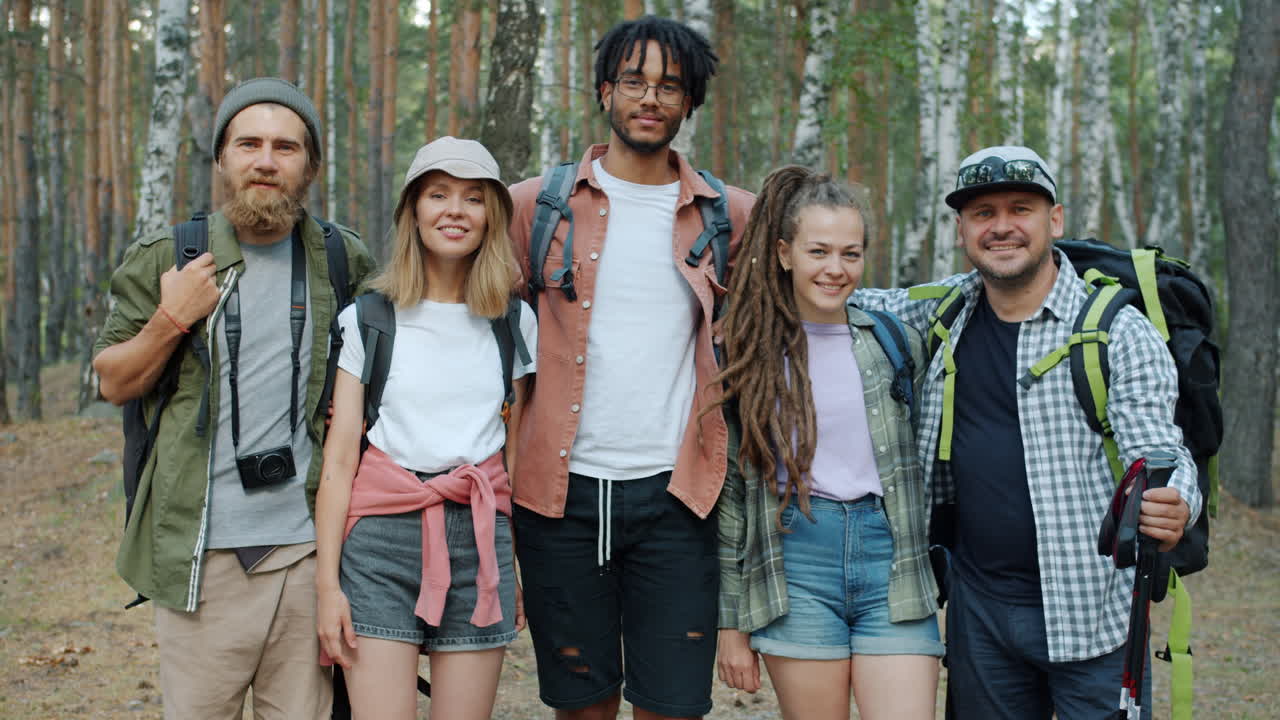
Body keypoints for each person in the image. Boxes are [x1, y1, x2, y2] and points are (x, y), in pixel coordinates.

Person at [855, 145, 1200, 719]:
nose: (1002, 227)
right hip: (979, 611)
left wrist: (1176, 501)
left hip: (1094, 609)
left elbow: (1160, 451)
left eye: (1021, 208)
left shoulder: (1115, 329)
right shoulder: (946, 313)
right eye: (983, 213)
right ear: (962, 229)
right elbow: (837, 296)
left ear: (1055, 221)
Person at [93, 77, 375, 719]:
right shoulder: (171, 255)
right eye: (248, 144)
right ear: (222, 158)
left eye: (286, 146)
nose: (267, 161)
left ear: (311, 165)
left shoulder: (341, 259)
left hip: (309, 555)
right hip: (203, 556)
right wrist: (172, 319)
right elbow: (113, 381)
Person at [505, 15, 754, 720]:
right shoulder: (536, 206)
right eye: (635, 82)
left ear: (689, 102)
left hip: (677, 495)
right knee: (582, 704)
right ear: (605, 91)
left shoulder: (730, 215)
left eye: (669, 86)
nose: (651, 98)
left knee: (672, 705)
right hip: (559, 498)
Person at [314, 136, 536, 719]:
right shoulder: (369, 319)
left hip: (478, 540)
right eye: (438, 195)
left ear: (493, 215)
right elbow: (339, 464)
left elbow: (515, 457)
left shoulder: (513, 321)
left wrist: (510, 566)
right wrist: (327, 587)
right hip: (379, 544)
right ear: (413, 210)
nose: (454, 211)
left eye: (473, 198)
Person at [713, 166, 941, 720]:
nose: (835, 269)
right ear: (786, 253)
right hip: (798, 560)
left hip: (894, 561)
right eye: (819, 251)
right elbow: (733, 499)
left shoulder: (893, 342)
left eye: (850, 253)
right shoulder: (748, 353)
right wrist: (731, 626)